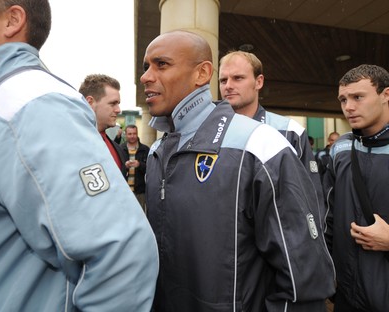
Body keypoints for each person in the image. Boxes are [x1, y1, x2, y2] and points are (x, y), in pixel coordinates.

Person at [141, 29, 335, 311]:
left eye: (162, 64)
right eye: (146, 66)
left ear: (201, 73)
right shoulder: (158, 151)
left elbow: (301, 276)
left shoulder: (260, 144)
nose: (146, 76)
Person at [0, 1, 158, 311]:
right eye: (114, 104)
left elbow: (122, 251)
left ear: (12, 19)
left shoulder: (27, 103)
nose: (120, 112)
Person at [218, 50, 325, 224]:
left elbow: (311, 200)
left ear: (259, 82)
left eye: (238, 78)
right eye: (223, 80)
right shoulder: (208, 132)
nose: (228, 85)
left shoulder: (290, 132)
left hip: (278, 242)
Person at [324, 64, 389, 312]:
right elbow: (327, 218)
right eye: (343, 99)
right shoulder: (340, 149)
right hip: (346, 295)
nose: (348, 107)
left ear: (386, 95)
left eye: (358, 97)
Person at [79, 74, 126, 176]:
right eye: (113, 103)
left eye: (118, 104)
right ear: (90, 102)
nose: (118, 110)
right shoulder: (72, 146)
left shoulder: (118, 149)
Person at [120, 124, 150, 212]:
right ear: (125, 134)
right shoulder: (120, 149)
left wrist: (139, 165)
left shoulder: (145, 149)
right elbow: (115, 169)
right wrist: (124, 166)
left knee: (140, 215)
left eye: (134, 133)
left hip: (140, 191)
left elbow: (151, 169)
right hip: (124, 190)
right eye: (129, 134)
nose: (132, 136)